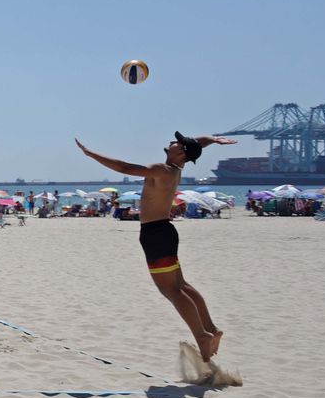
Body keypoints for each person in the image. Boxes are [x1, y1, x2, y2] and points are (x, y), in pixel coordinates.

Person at [76, 131, 238, 375]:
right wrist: (211, 140)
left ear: (181, 151)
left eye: (176, 142)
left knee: (170, 289)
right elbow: (193, 146)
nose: (171, 142)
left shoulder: (162, 169)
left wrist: (90, 154)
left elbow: (124, 167)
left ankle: (202, 336)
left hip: (154, 234)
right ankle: (210, 329)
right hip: (164, 231)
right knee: (181, 284)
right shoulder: (175, 169)